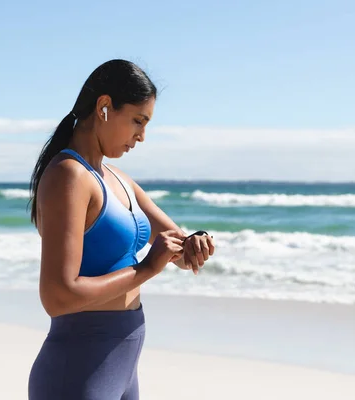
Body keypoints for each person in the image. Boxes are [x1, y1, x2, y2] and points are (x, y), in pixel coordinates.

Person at [27, 59, 215, 400]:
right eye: (137, 121)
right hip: (78, 372)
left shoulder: (118, 179)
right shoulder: (69, 176)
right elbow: (57, 297)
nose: (141, 137)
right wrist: (146, 268)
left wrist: (196, 241)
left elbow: (180, 251)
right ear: (104, 107)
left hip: (122, 368)